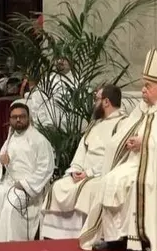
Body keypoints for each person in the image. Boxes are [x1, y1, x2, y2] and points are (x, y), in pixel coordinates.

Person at [79, 50, 157, 251]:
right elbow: (127, 130)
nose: (143, 90)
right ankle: (115, 238)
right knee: (110, 179)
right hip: (138, 159)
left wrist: (145, 142)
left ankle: (139, 239)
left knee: (133, 182)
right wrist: (129, 141)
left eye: (147, 86)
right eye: (144, 85)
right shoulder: (145, 105)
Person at [40, 85, 126, 240]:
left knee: (88, 189)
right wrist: (75, 169)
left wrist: (89, 173)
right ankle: (56, 238)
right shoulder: (95, 124)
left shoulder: (122, 124)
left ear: (106, 102)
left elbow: (115, 156)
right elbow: (82, 150)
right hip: (83, 173)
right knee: (59, 186)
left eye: (96, 99)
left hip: (102, 174)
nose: (94, 103)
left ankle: (81, 236)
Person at [0, 101, 55, 243]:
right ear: (10, 119)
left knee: (10, 208)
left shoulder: (39, 140)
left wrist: (25, 184)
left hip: (29, 187)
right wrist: (2, 163)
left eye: (22, 116)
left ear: (28, 118)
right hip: (8, 183)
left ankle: (12, 249)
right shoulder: (9, 139)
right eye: (14, 117)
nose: (18, 120)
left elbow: (46, 168)